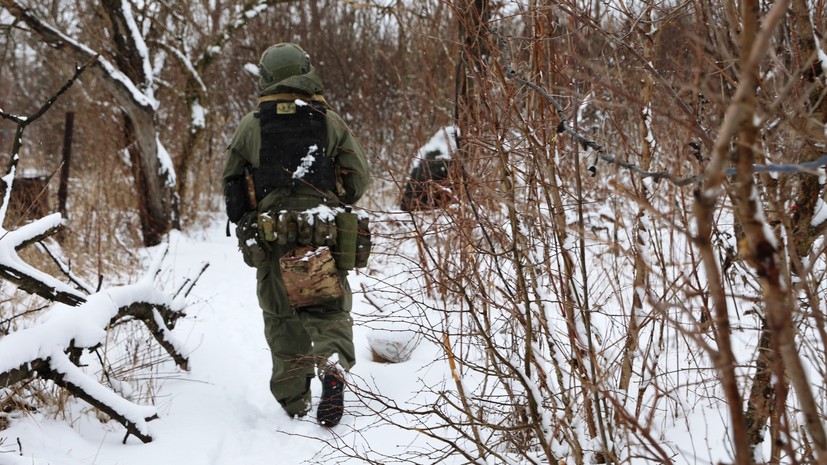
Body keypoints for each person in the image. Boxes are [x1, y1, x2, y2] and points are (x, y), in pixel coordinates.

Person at [222, 42, 370, 427]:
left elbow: (232, 182)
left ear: (268, 77)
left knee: (281, 315)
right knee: (328, 308)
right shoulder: (328, 120)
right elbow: (359, 178)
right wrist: (336, 198)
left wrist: (247, 217)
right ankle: (332, 366)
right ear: (305, 72)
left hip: (272, 235)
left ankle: (294, 402)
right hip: (322, 229)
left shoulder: (251, 124)